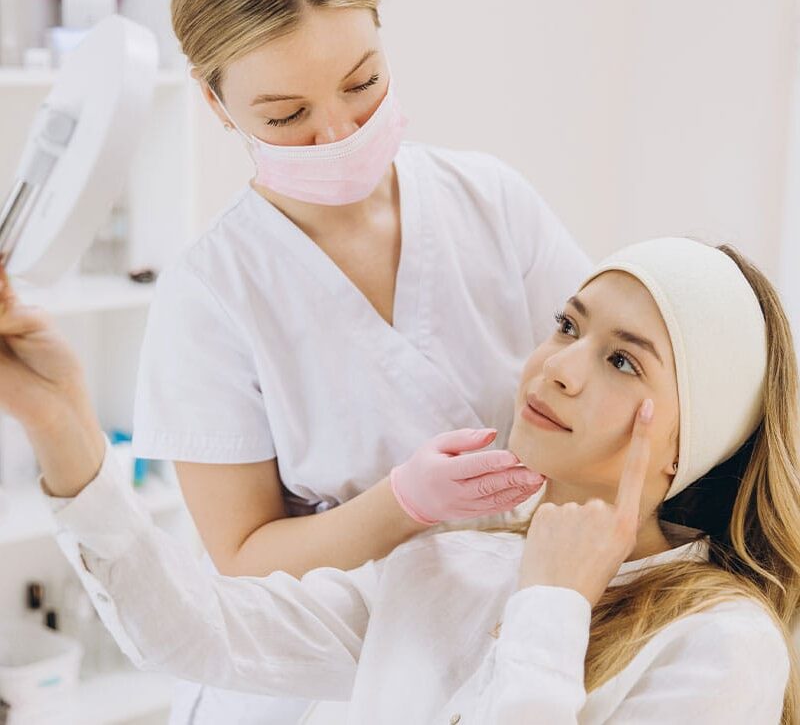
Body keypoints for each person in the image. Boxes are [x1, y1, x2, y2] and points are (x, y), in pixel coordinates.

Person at [4, 236, 798, 722]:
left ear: (691, 442)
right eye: (567, 325)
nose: (558, 368)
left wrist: (552, 606)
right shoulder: (452, 564)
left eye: (622, 361)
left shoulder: (721, 645)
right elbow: (194, 631)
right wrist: (64, 428)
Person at [133, 0, 590, 720]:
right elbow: (241, 558)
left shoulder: (491, 202)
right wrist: (403, 503)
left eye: (363, 83)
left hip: (503, 633)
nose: (340, 132)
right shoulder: (210, 296)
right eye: (287, 115)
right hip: (318, 675)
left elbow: (602, 374)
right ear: (215, 104)